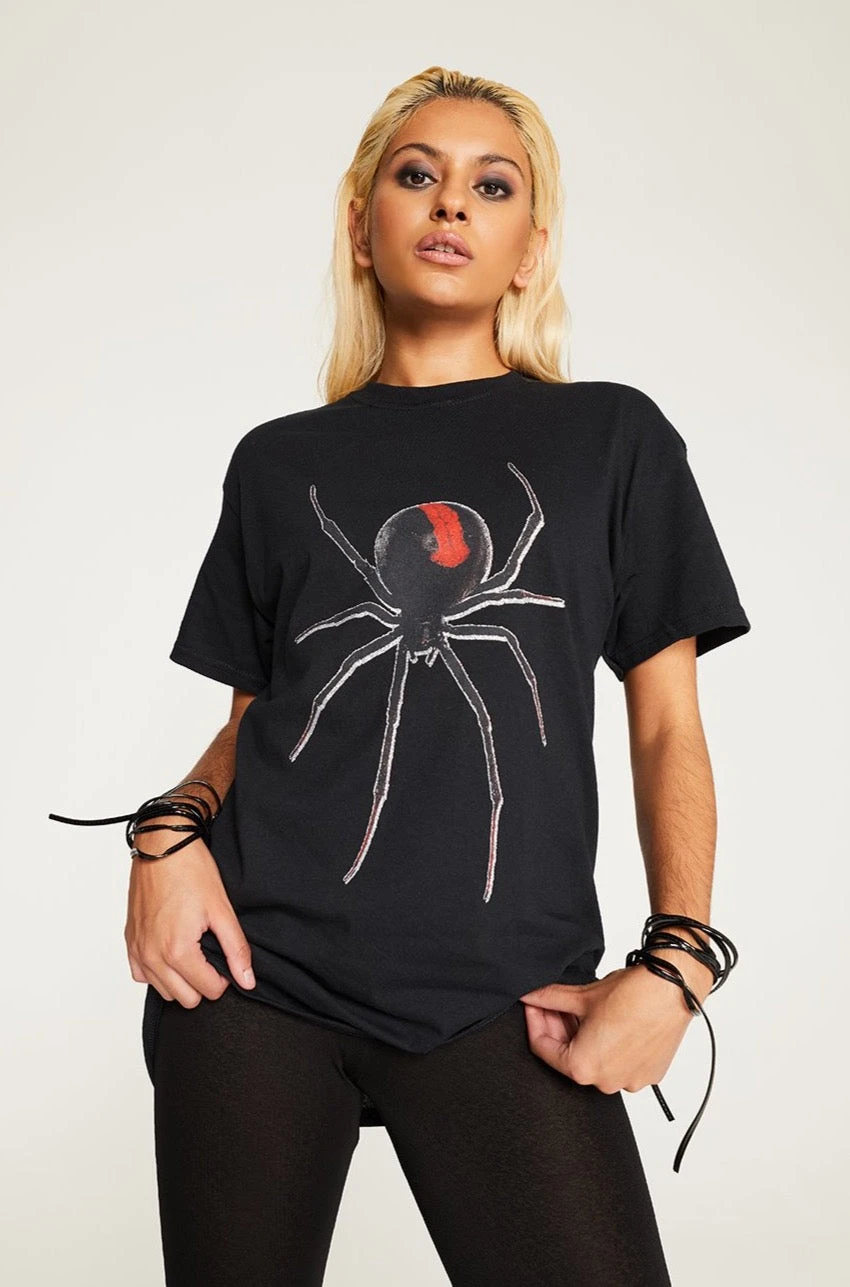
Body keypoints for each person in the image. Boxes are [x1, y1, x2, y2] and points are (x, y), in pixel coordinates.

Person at [51, 66, 751, 1286]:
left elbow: (664, 727)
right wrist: (164, 838)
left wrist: (679, 961)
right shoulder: (279, 464)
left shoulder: (608, 437)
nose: (451, 203)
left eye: (494, 186)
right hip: (256, 985)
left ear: (532, 252)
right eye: (416, 175)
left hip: (505, 996)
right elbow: (269, 716)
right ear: (361, 227)